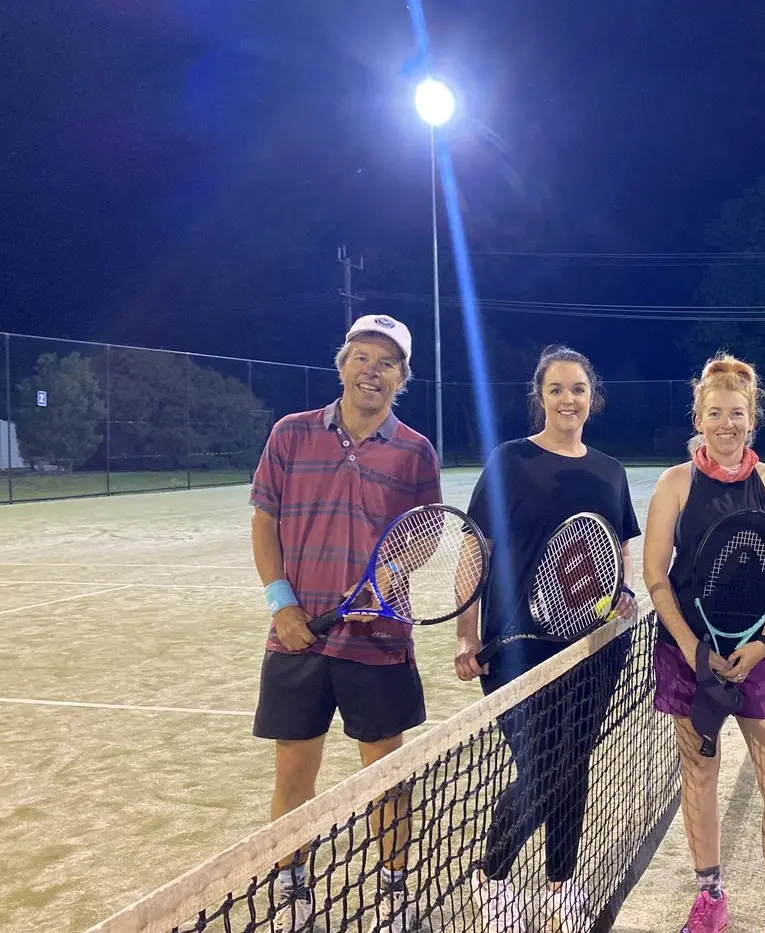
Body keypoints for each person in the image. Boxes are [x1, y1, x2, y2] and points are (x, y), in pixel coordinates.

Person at [249, 314, 442, 933]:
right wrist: (283, 605)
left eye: (387, 363)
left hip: (379, 640)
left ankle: (395, 892)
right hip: (297, 638)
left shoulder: (416, 451)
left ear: (402, 377)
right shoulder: (290, 434)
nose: (372, 371)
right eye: (362, 357)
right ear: (342, 365)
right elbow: (264, 521)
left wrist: (390, 575)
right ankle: (292, 889)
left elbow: (427, 532)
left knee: (388, 777)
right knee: (292, 774)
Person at [454, 345, 642, 933]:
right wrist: (465, 634)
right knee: (541, 767)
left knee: (573, 764)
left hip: (592, 649)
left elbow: (618, 548)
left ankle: (562, 882)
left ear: (593, 398)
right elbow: (476, 547)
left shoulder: (609, 471)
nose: (567, 399)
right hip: (515, 649)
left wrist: (623, 594)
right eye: (556, 389)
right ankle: (492, 877)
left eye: (578, 389)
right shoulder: (509, 460)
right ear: (540, 396)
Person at [643, 354, 765, 933]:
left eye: (737, 413)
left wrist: (764, 640)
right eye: (715, 413)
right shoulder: (675, 484)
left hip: (759, 657)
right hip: (689, 660)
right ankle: (710, 899)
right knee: (699, 778)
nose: (726, 424)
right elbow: (655, 575)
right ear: (699, 418)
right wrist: (695, 649)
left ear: (752, 419)